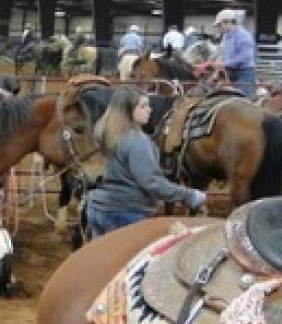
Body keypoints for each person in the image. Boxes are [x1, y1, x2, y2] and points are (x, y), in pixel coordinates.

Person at [84, 88, 206, 238]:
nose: (149, 109)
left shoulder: (104, 134)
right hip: (126, 212)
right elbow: (151, 182)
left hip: (98, 208)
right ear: (128, 111)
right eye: (143, 106)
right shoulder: (137, 141)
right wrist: (188, 195)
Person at [214, 8, 256, 97]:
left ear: (227, 22)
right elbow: (222, 52)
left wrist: (225, 63)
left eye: (220, 25)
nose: (219, 28)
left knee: (243, 99)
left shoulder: (244, 36)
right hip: (230, 71)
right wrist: (217, 61)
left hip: (244, 72)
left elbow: (245, 57)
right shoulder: (226, 37)